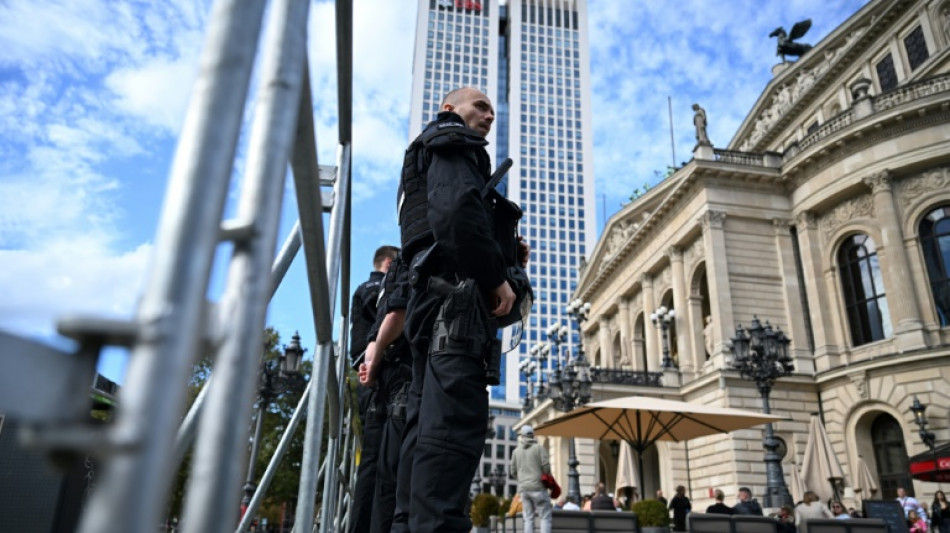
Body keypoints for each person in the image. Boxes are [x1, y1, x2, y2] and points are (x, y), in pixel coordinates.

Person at [389, 87, 530, 533]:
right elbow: (454, 212)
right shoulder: (451, 138)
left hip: (431, 301)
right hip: (457, 303)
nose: (489, 115)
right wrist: (495, 277)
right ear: (450, 109)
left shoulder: (428, 150)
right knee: (450, 431)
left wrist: (502, 249)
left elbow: (443, 219)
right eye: (480, 106)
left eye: (492, 110)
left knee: (422, 431)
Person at [359, 251, 412, 533]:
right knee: (395, 474)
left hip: (378, 382)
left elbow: (372, 335)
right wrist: (376, 357)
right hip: (402, 374)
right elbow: (397, 315)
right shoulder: (409, 265)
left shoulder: (378, 288)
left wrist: (371, 363)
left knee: (376, 472)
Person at [348, 245, 398, 533]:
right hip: (381, 378)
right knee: (381, 463)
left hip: (367, 379)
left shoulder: (361, 289)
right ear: (389, 263)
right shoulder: (380, 289)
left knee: (371, 461)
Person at [510, 425, 552, 533]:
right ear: (533, 435)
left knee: (528, 519)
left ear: (522, 436)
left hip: (524, 489)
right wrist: (545, 476)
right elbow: (546, 467)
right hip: (538, 487)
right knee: (545, 517)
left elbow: (512, 471)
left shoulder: (516, 452)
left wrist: (521, 480)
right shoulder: (539, 448)